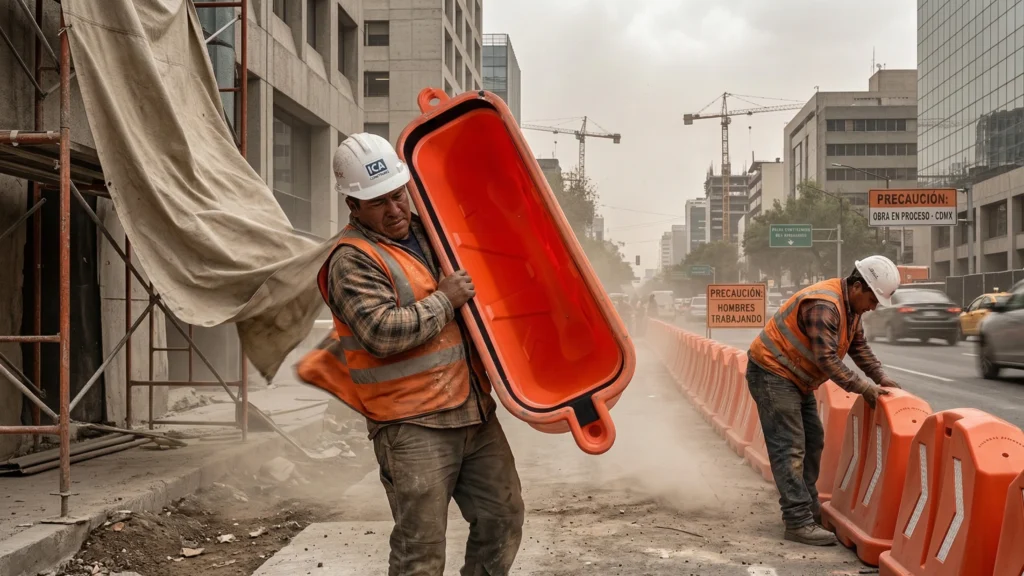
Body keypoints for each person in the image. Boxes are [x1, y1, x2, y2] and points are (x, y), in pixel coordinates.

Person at [298, 133, 524, 575]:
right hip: (412, 425)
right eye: (379, 202)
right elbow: (381, 332)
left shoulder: (431, 231)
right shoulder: (351, 260)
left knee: (503, 517)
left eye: (398, 195)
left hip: (473, 413)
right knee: (420, 553)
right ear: (354, 206)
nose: (394, 209)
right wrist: (445, 300)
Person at [746, 255, 903, 546]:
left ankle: (807, 509)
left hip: (797, 379)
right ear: (857, 286)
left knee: (813, 440)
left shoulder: (850, 308)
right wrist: (864, 388)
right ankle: (797, 521)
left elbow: (858, 346)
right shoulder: (825, 305)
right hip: (773, 373)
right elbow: (828, 359)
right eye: (872, 299)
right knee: (790, 446)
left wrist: (880, 377)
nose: (873, 307)